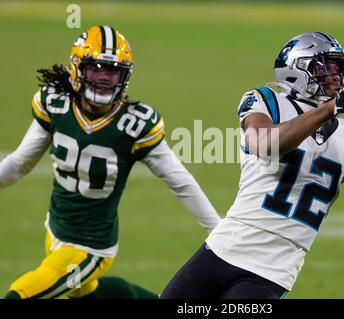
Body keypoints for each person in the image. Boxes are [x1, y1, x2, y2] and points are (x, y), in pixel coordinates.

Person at [160, 32, 344, 299]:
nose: (337, 76)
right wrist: (329, 109)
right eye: (326, 67)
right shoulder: (268, 101)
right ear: (296, 69)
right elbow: (265, 146)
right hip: (222, 248)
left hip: (271, 271)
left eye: (340, 67)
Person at [0, 25, 220, 299]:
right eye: (96, 68)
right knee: (87, 294)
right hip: (55, 228)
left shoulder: (132, 124)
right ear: (77, 68)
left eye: (112, 71)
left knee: (20, 294)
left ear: (124, 76)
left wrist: (220, 232)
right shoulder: (56, 104)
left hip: (92, 247)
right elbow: (19, 164)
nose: (104, 78)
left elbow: (180, 181)